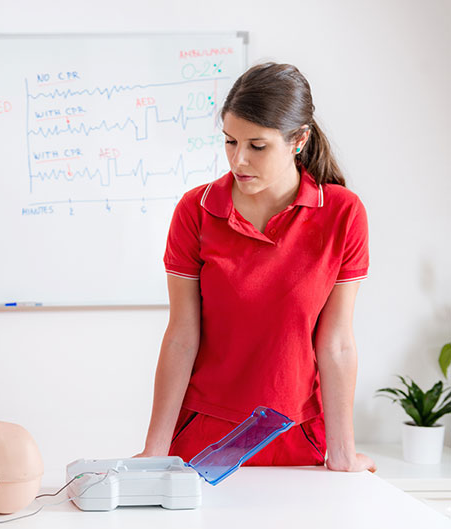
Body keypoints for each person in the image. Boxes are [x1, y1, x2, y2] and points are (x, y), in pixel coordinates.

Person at [139, 63, 375, 472]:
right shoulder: (195, 211)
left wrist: (342, 454)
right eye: (230, 142)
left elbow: (335, 342)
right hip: (205, 436)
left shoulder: (342, 213)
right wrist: (154, 451)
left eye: (257, 145)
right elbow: (181, 335)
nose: (239, 159)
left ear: (298, 139)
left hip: (298, 435)